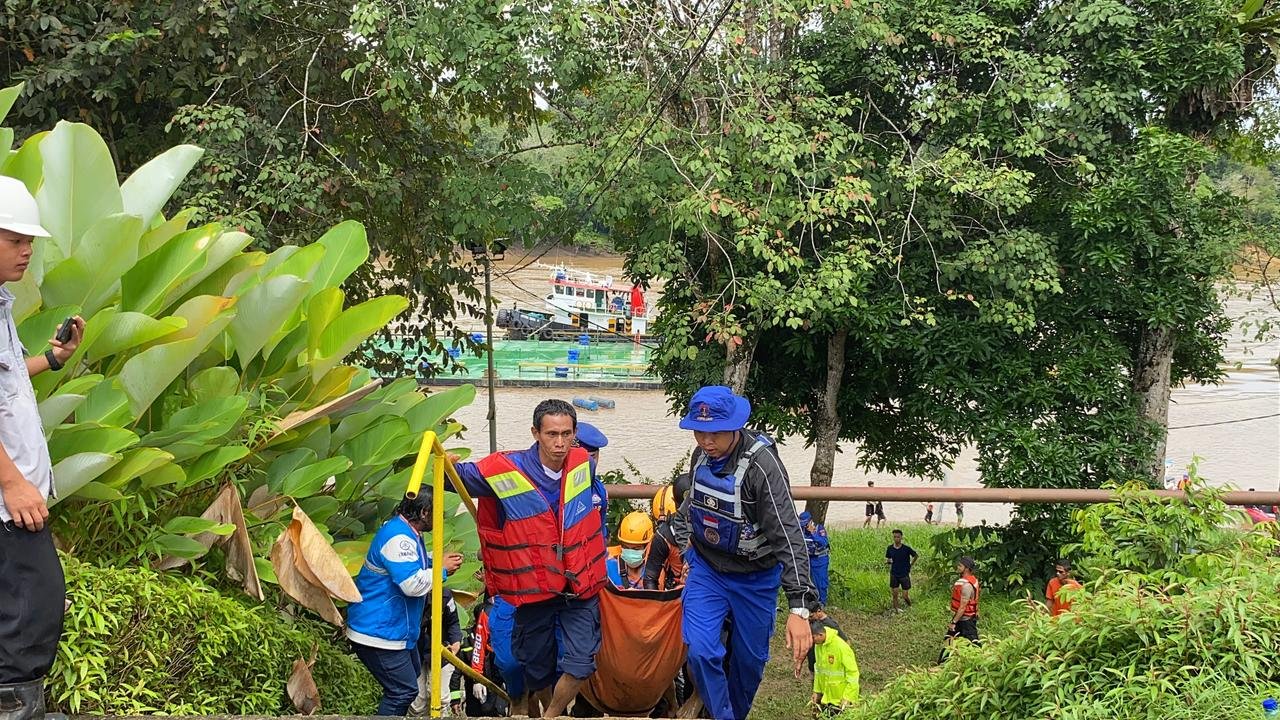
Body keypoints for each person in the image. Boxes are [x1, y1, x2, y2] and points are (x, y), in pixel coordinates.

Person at [450, 399, 609, 718]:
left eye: (566, 434)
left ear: (575, 433)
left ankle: (551, 715)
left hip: (577, 587)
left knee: (580, 663)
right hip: (533, 587)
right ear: (536, 433)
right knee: (534, 666)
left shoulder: (584, 466)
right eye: (552, 434)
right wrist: (445, 466)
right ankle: (533, 706)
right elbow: (459, 478)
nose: (560, 442)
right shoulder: (505, 471)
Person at [675, 386, 818, 720]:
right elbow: (687, 510)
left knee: (749, 663)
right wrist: (686, 551)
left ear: (736, 427)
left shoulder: (762, 467)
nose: (707, 442)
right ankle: (722, 714)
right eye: (700, 432)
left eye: (716, 434)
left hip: (756, 578)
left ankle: (733, 713)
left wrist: (800, 607)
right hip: (708, 570)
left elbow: (787, 532)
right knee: (698, 651)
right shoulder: (700, 457)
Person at [0, 177, 85, 720]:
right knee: (29, 619)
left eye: (29, 240)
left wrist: (50, 359)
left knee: (26, 615)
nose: (27, 249)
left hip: (12, 497)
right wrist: (11, 481)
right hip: (8, 501)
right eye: (14, 239)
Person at [346, 493, 465, 716]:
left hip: (397, 631)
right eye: (437, 513)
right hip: (378, 632)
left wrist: (433, 560)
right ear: (423, 512)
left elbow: (408, 561)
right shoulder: (397, 538)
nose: (440, 520)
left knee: (407, 686)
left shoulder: (409, 532)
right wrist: (441, 571)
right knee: (402, 691)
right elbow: (411, 584)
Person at [409, 588, 464, 716]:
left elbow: (453, 622)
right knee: (417, 700)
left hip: (442, 649)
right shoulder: (409, 592)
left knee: (441, 698)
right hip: (414, 649)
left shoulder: (445, 595)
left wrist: (456, 642)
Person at [643, 479, 688, 590]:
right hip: (681, 590)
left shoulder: (663, 534)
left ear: (673, 501)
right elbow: (650, 580)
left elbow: (649, 579)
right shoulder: (663, 536)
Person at [809, 620, 860, 714]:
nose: (811, 641)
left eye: (812, 637)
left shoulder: (841, 647)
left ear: (820, 635)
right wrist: (816, 691)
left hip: (841, 700)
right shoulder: (818, 646)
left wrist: (848, 697)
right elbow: (819, 670)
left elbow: (853, 673)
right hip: (826, 698)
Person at [939, 556, 980, 662]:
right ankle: (942, 662)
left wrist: (953, 622)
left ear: (966, 568)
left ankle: (980, 662)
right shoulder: (972, 580)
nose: (957, 567)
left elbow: (962, 608)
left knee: (974, 643)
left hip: (965, 620)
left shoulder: (966, 586)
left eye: (960, 565)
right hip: (964, 617)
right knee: (949, 639)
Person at [606, 511, 653, 589]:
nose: (631, 552)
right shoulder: (610, 568)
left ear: (648, 546)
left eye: (636, 548)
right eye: (626, 547)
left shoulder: (654, 570)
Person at [799, 511, 831, 605]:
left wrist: (813, 533)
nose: (804, 526)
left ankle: (822, 602)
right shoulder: (800, 530)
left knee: (821, 582)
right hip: (807, 559)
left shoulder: (819, 529)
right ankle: (809, 601)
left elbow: (823, 542)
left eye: (805, 524)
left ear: (810, 522)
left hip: (820, 559)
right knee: (807, 582)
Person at [884, 529, 918, 613]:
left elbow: (916, 555)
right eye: (894, 537)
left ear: (901, 537)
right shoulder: (890, 548)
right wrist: (888, 562)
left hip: (904, 574)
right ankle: (896, 609)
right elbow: (888, 559)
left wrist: (911, 564)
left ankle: (910, 606)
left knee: (905, 596)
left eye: (898, 537)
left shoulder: (906, 548)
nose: (896, 539)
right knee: (894, 594)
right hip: (894, 574)